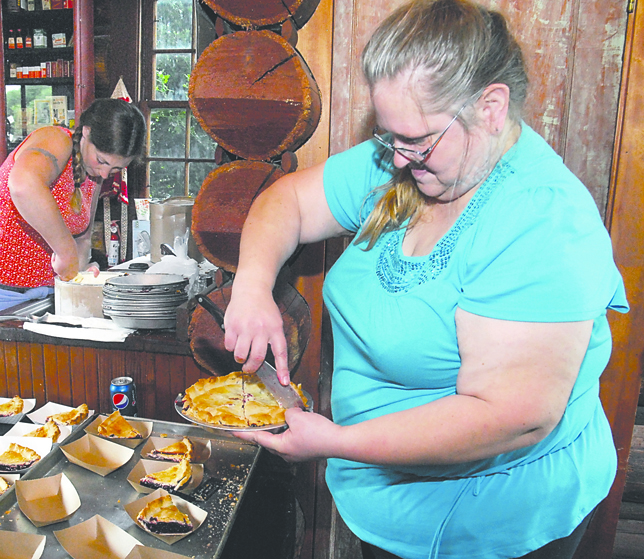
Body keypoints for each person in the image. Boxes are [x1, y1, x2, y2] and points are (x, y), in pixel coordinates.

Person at [222, 1, 629, 558]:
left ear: (491, 107)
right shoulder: (409, 153)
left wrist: (338, 442)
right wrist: (252, 283)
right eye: (389, 138)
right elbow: (288, 201)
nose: (398, 158)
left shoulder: (544, 223)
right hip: (386, 491)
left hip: (493, 518)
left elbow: (511, 417)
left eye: (417, 140)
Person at [0, 98, 146, 406]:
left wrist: (80, 269)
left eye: (116, 168)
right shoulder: (57, 140)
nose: (105, 173)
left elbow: (82, 237)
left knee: (29, 402)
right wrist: (64, 251)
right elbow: (23, 185)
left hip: (41, 303)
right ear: (85, 133)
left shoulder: (92, 176)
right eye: (102, 160)